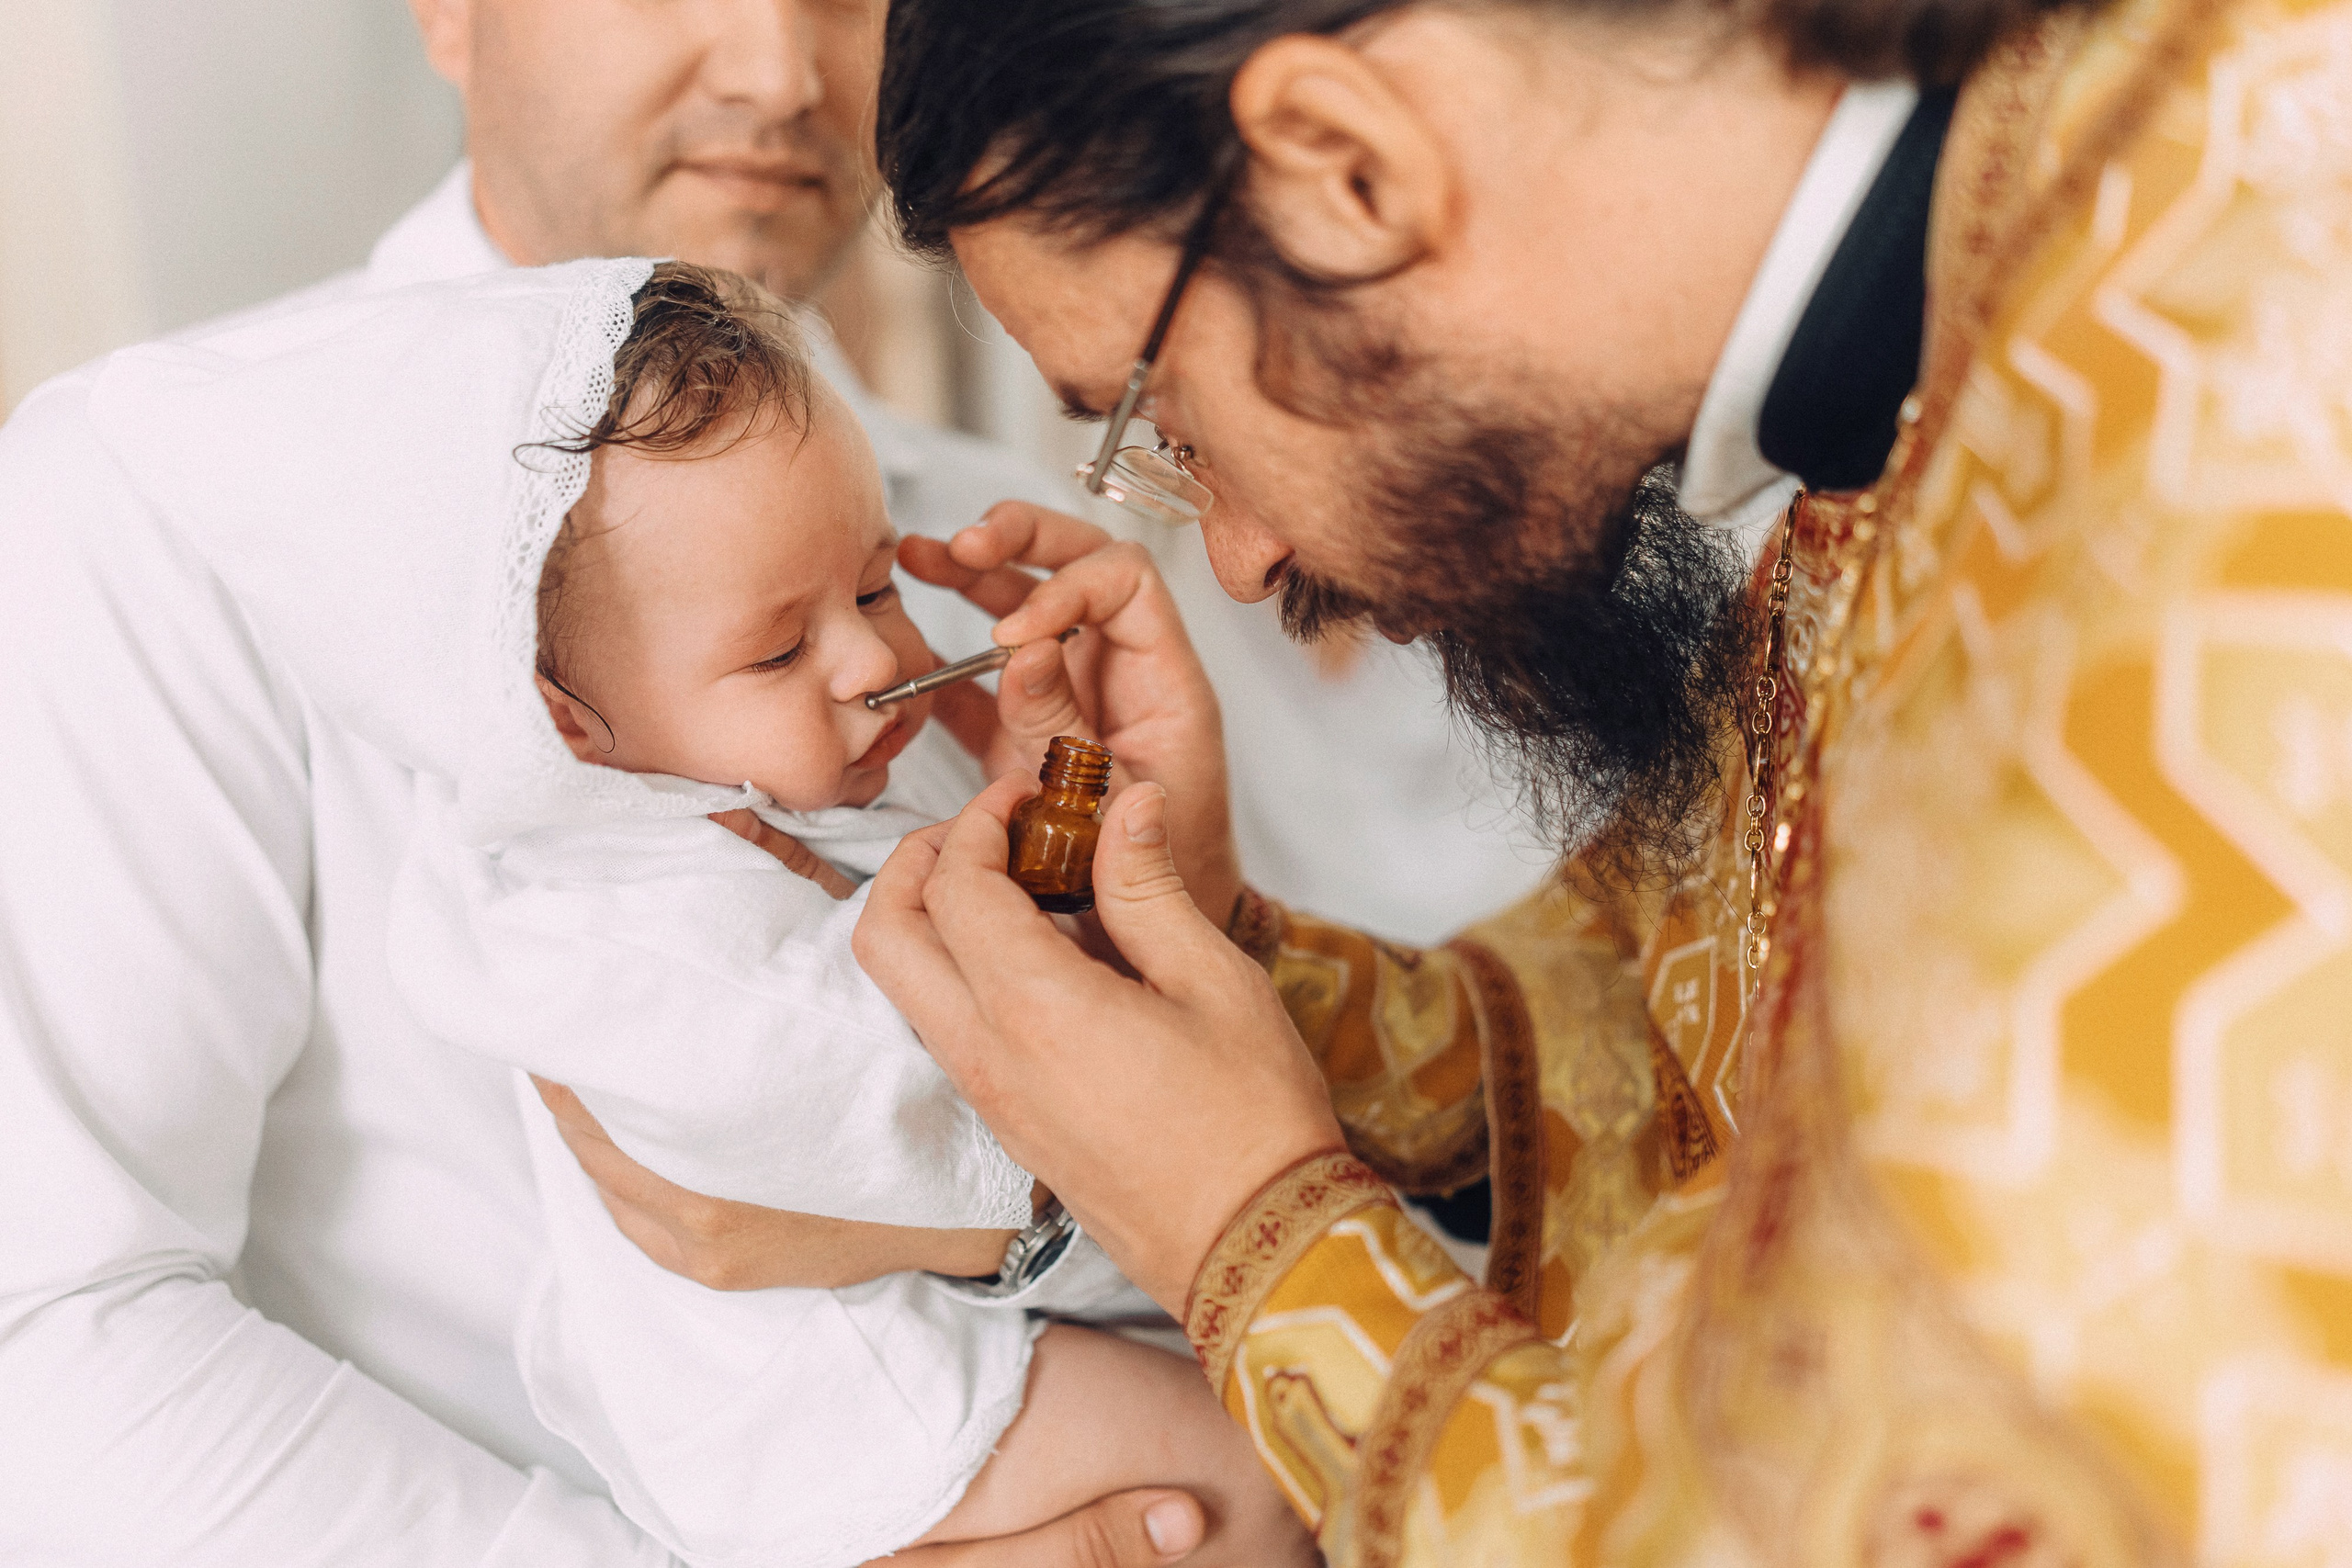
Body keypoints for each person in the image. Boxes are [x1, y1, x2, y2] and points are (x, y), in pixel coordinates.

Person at [817, 0, 2352, 1562]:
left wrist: (1252, 1239)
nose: (1237, 552)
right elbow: (1670, 1018)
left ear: (1349, 167)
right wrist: (1210, 952)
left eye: (1173, 427)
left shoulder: (2250, 469)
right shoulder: (2028, 258)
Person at [0, 3, 1234, 1562]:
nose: (781, 73)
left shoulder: (988, 538)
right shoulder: (134, 508)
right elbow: (47, 1338)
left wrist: (1189, 916)